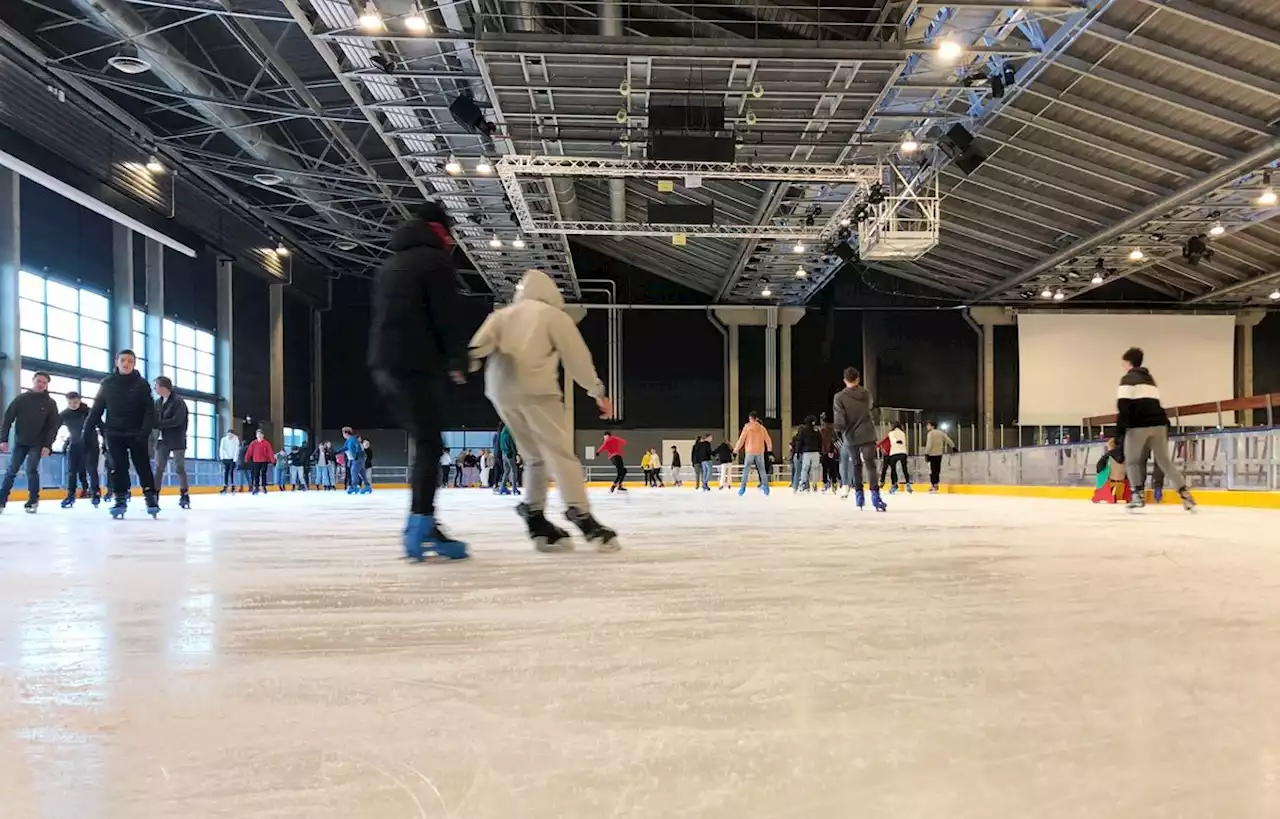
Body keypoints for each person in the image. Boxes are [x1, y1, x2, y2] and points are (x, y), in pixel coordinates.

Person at [468, 267, 619, 552]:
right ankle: (581, 514)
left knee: (534, 456)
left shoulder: (500, 316)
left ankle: (535, 515)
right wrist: (597, 391)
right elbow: (577, 358)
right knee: (560, 452)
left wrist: (465, 364)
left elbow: (476, 349)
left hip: (501, 393)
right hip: (537, 390)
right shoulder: (552, 316)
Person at [368, 200, 469, 560]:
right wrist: (458, 358)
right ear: (440, 230)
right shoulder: (435, 261)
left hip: (385, 365)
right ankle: (422, 524)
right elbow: (447, 314)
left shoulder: (391, 264)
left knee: (424, 440)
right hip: (416, 363)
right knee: (429, 444)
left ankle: (424, 520)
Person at [1116, 347, 1195, 511]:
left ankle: (1137, 494)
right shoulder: (1150, 380)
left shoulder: (1127, 380)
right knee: (1164, 461)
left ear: (1127, 362)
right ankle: (1184, 493)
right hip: (1159, 425)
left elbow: (1124, 407)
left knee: (1132, 461)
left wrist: (1120, 432)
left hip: (1138, 426)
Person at [87, 350, 160, 518]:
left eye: (130, 361)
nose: (126, 364)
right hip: (114, 433)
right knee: (118, 467)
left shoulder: (142, 384)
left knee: (143, 466)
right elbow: (97, 408)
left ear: (134, 364)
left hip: (137, 433)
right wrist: (87, 429)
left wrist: (144, 433)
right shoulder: (107, 383)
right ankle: (120, 498)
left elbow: (150, 411)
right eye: (123, 360)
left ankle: (150, 497)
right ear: (117, 362)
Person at [0, 370, 60, 513]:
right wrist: (3, 439)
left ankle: (33, 500)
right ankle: (2, 500)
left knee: (31, 470)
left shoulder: (50, 403)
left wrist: (47, 445)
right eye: (38, 381)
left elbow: (52, 427)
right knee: (11, 470)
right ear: (33, 381)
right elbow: (8, 418)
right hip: (20, 441)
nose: (41, 384)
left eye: (44, 382)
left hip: (37, 443)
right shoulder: (21, 399)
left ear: (47, 385)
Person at [834, 366, 885, 511]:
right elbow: (872, 410)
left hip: (850, 436)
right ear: (858, 379)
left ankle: (859, 497)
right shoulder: (867, 393)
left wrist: (838, 431)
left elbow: (840, 420)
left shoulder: (839, 397)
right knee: (870, 465)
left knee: (856, 465)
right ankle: (875, 496)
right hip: (867, 433)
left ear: (845, 380)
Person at [153, 376, 191, 509]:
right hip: (162, 440)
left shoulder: (178, 402)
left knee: (179, 467)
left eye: (156, 386)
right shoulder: (157, 403)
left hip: (177, 439)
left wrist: (159, 424)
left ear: (163, 387)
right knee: (159, 468)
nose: (155, 389)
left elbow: (177, 420)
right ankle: (155, 494)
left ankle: (184, 494)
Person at [58, 390, 96, 508]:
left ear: (79, 401)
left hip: (90, 444)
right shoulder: (64, 414)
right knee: (71, 471)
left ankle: (95, 493)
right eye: (70, 402)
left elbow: (100, 425)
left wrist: (106, 441)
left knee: (91, 469)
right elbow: (53, 428)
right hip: (74, 444)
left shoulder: (89, 412)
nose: (73, 405)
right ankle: (70, 494)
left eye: (75, 402)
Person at [733, 411, 772, 496]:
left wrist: (735, 451)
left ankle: (742, 488)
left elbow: (741, 440)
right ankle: (766, 488)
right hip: (760, 452)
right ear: (756, 418)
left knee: (746, 470)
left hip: (750, 451)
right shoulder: (762, 428)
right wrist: (769, 450)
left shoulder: (747, 427)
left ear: (750, 418)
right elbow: (768, 439)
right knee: (762, 470)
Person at [923, 421, 955, 493]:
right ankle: (936, 485)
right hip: (939, 454)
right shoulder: (941, 433)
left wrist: (926, 453)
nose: (927, 427)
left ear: (932, 426)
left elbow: (929, 444)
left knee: (932, 471)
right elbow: (948, 440)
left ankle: (933, 486)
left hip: (931, 455)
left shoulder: (930, 433)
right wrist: (953, 447)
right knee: (937, 470)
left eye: (928, 425)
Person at [883, 422, 911, 493]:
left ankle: (894, 484)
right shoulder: (903, 433)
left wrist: (896, 441)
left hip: (894, 453)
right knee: (904, 469)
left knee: (893, 469)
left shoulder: (891, 433)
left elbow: (892, 440)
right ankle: (908, 483)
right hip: (903, 452)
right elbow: (904, 442)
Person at [245, 429, 275, 494]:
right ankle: (256, 487)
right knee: (256, 475)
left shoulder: (266, 443)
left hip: (264, 461)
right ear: (256, 435)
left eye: (260, 434)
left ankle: (264, 486)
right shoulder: (253, 443)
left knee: (264, 474)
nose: (259, 436)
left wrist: (273, 460)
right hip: (256, 461)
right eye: (258, 434)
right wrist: (246, 458)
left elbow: (270, 452)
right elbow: (249, 451)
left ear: (263, 435)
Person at [342, 427, 370, 495]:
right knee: (362, 473)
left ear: (346, 433)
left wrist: (357, 456)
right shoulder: (348, 441)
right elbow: (345, 449)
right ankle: (367, 486)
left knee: (353, 472)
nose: (343, 435)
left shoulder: (353, 440)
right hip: (356, 459)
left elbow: (358, 448)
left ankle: (354, 487)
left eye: (343, 433)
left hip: (357, 459)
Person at [797, 415, 822, 491]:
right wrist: (820, 451)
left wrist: (798, 452)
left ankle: (803, 483)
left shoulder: (803, 431)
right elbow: (820, 442)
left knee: (805, 468)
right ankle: (814, 484)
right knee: (815, 468)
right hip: (815, 452)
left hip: (806, 452)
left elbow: (800, 442)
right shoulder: (817, 431)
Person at [498, 423, 520, 495]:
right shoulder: (509, 435)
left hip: (503, 454)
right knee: (514, 471)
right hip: (510, 454)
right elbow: (512, 445)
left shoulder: (502, 434)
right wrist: (516, 453)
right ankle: (514, 489)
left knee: (506, 471)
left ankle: (502, 487)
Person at [219, 429, 240, 494]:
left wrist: (235, 459)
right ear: (227, 434)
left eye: (231, 434)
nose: (230, 435)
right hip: (225, 458)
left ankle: (233, 486)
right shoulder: (223, 440)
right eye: (229, 434)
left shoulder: (236, 439)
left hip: (232, 459)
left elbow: (236, 449)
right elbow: (221, 449)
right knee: (226, 472)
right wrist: (222, 457)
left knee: (232, 472)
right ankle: (225, 486)